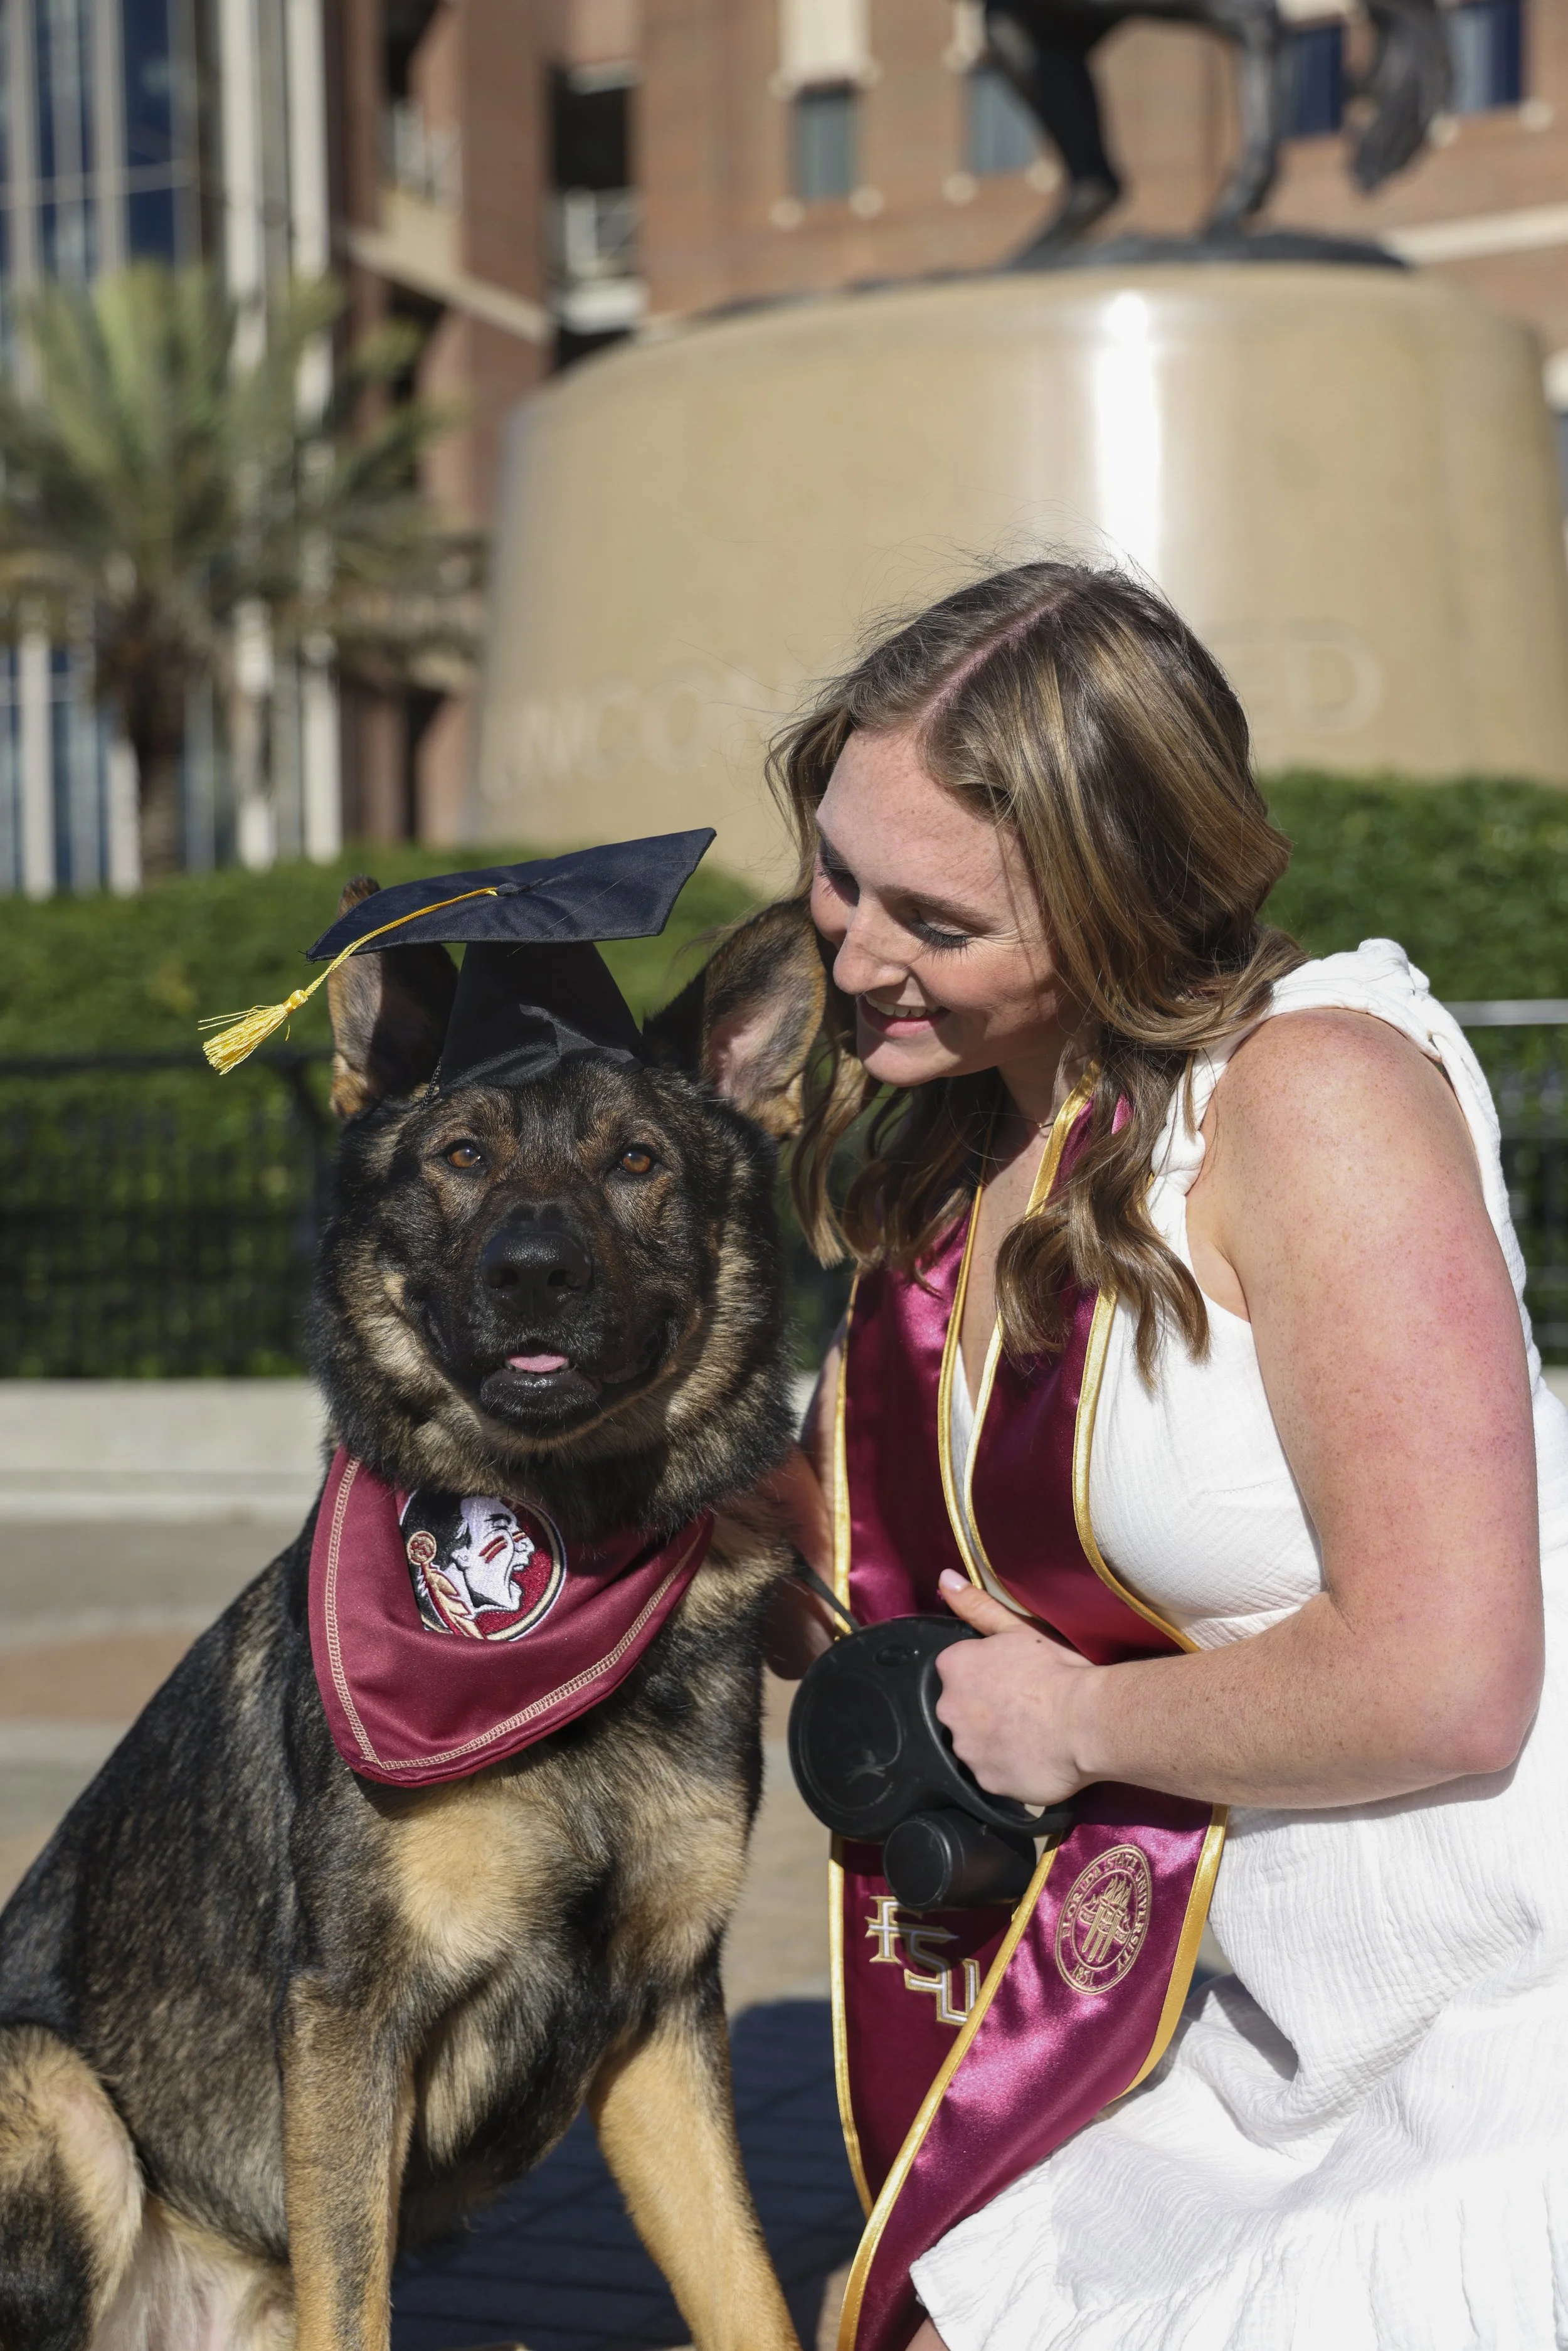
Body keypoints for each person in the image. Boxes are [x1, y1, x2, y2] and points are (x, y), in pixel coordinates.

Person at [765, 561, 1568, 2350]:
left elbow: (1451, 1681)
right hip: (1245, 2015)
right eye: (835, 869)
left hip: (1493, 2001)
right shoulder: (975, 1136)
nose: (852, 948)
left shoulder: (1315, 1098)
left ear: (1118, 903)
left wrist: (1080, 1724)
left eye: (934, 916)